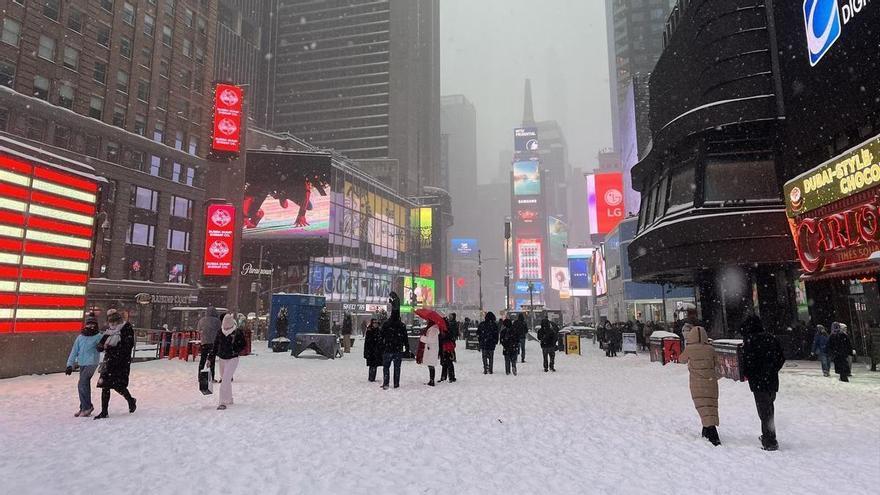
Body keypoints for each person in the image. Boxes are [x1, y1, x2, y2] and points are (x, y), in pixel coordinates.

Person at [740, 315, 785, 451]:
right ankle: (769, 435)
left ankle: (770, 440)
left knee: (764, 411)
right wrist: (773, 369)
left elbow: (746, 361)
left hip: (758, 382)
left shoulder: (750, 341)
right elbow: (781, 357)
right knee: (769, 408)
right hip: (771, 380)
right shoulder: (771, 338)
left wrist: (750, 374)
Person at [678, 326, 721, 446]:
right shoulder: (710, 349)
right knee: (710, 406)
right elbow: (717, 364)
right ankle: (706, 430)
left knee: (702, 406)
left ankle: (712, 433)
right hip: (711, 382)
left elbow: (681, 359)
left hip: (697, 383)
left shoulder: (689, 349)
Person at [94, 309, 137, 420]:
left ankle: (130, 400)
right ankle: (104, 411)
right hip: (109, 361)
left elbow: (127, 346)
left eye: (114, 322)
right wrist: (100, 346)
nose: (112, 324)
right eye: (110, 322)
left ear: (118, 320)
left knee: (119, 385)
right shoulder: (109, 331)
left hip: (121, 362)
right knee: (105, 385)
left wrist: (113, 349)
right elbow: (102, 342)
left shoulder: (126, 328)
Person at [65, 313, 103, 417]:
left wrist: (101, 347)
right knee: (84, 385)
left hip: (92, 363)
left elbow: (103, 346)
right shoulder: (80, 337)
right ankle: (83, 407)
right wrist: (69, 365)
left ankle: (87, 407)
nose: (91, 327)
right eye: (89, 324)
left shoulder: (98, 336)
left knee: (82, 383)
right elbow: (74, 351)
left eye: (93, 325)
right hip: (82, 363)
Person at [215, 313, 246, 410]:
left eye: (227, 327)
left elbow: (243, 344)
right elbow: (215, 345)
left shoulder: (237, 332)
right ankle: (229, 399)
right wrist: (210, 358)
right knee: (226, 379)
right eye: (225, 327)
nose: (226, 329)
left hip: (233, 358)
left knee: (225, 379)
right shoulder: (220, 332)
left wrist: (235, 350)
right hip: (222, 358)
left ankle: (222, 401)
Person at [380, 292, 409, 389]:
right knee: (397, 368)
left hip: (388, 348)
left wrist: (382, 346)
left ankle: (386, 383)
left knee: (386, 367)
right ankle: (396, 384)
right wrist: (407, 348)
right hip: (398, 349)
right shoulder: (401, 325)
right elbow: (405, 338)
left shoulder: (386, 324)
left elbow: (381, 336)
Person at [197, 306, 222, 382]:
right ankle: (211, 377)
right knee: (212, 360)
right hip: (213, 343)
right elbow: (220, 330)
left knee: (203, 360)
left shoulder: (201, 320)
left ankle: (200, 376)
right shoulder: (217, 321)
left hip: (204, 342)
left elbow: (198, 329)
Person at [417, 321, 441, 386]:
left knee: (431, 365)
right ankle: (431, 380)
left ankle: (432, 381)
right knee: (430, 365)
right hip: (431, 349)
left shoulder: (433, 329)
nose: (427, 321)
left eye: (428, 320)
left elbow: (431, 340)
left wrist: (422, 338)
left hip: (431, 349)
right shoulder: (432, 328)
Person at [439, 313, 458, 383]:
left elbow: (450, 337)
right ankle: (446, 377)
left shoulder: (447, 329)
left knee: (448, 362)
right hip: (445, 347)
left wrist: (444, 337)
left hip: (446, 347)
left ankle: (450, 377)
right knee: (445, 362)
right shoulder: (444, 329)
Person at [363, 318, 383, 382]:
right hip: (371, 351)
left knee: (375, 365)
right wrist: (366, 352)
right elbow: (366, 343)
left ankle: (372, 377)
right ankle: (371, 377)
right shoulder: (369, 331)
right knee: (372, 365)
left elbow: (381, 341)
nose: (375, 324)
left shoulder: (379, 331)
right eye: (374, 323)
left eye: (376, 323)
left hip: (377, 351)